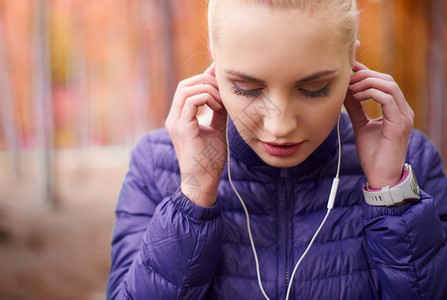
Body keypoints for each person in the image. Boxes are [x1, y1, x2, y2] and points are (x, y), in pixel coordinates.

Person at [106, 0, 447, 298]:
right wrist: (194, 195)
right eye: (246, 88)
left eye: (314, 88)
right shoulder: (156, 164)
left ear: (352, 64)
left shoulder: (410, 162)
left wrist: (390, 194)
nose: (279, 127)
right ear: (214, 59)